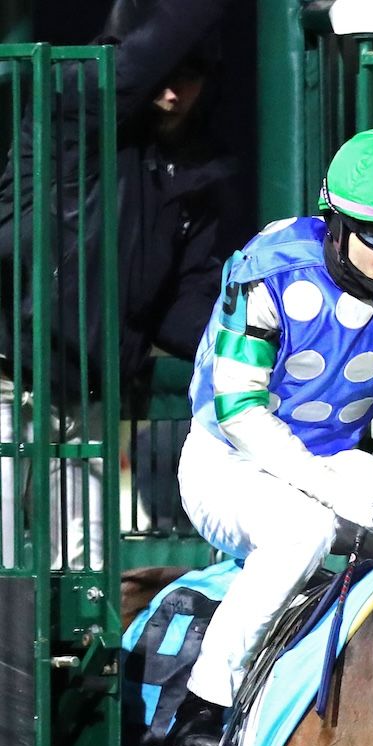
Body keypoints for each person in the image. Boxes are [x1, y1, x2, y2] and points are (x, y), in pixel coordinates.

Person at [160, 127, 373, 746]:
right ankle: (201, 708)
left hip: (333, 458)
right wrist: (332, 489)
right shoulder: (268, 266)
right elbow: (239, 412)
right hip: (225, 462)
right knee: (304, 529)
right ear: (337, 221)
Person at [0, 0, 236, 570]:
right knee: (3, 571)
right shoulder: (75, 105)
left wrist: (257, 345)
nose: (174, 89)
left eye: (191, 74)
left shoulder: (193, 171)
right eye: (167, 70)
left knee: (84, 582)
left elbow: (184, 308)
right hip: (7, 379)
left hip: (92, 397)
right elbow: (134, 68)